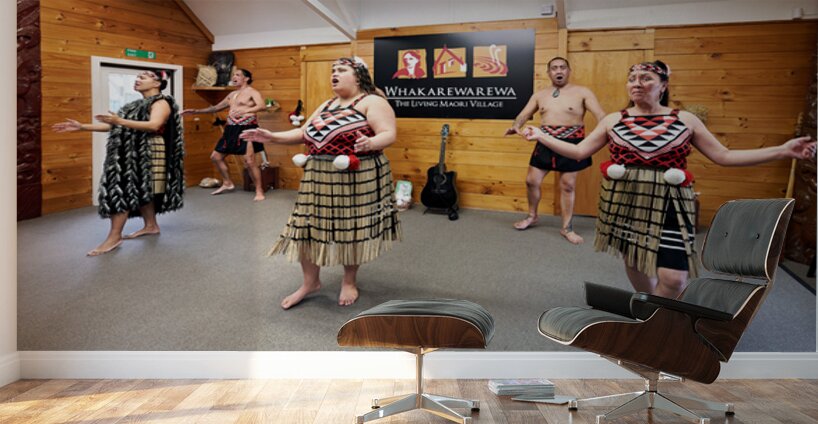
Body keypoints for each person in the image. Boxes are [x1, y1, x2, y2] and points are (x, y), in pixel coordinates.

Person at [522, 60, 816, 298]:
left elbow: (724, 156)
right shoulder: (614, 120)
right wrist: (541, 135)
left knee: (674, 279)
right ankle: (652, 310)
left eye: (646, 78)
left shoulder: (684, 120)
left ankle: (661, 311)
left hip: (672, 205)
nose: (637, 83)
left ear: (663, 86)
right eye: (632, 78)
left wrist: (782, 150)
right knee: (636, 262)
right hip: (626, 203)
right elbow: (578, 152)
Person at [240, 57, 402, 309]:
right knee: (305, 227)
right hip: (318, 174)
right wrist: (272, 136)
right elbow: (303, 132)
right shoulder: (327, 104)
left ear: (358, 75)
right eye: (333, 70)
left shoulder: (372, 101)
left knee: (351, 229)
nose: (334, 74)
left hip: (356, 174)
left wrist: (370, 143)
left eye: (342, 70)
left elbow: (388, 133)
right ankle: (310, 282)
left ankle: (349, 281)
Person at [52, 70, 184, 256]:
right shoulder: (135, 105)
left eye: (143, 77)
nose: (137, 80)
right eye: (137, 77)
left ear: (157, 83)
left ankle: (114, 237)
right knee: (142, 188)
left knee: (124, 188)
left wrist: (119, 120)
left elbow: (154, 125)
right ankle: (151, 225)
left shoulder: (161, 103)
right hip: (132, 152)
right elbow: (115, 126)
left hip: (148, 151)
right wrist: (82, 127)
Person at [505, 57, 605, 244]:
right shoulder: (540, 95)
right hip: (545, 141)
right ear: (549, 73)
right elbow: (524, 114)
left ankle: (566, 228)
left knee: (567, 186)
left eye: (562, 67)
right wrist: (516, 126)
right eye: (554, 68)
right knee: (531, 181)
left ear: (569, 70)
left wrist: (600, 134)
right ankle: (533, 216)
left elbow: (600, 115)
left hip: (571, 143)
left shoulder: (582, 92)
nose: (558, 71)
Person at [181, 68, 268, 201]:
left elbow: (262, 106)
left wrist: (245, 111)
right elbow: (215, 108)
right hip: (231, 129)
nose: (234, 77)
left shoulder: (252, 92)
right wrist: (196, 111)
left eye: (237, 75)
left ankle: (259, 190)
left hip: (247, 128)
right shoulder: (232, 94)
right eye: (233, 75)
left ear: (246, 78)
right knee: (216, 157)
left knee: (249, 161)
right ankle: (227, 182)